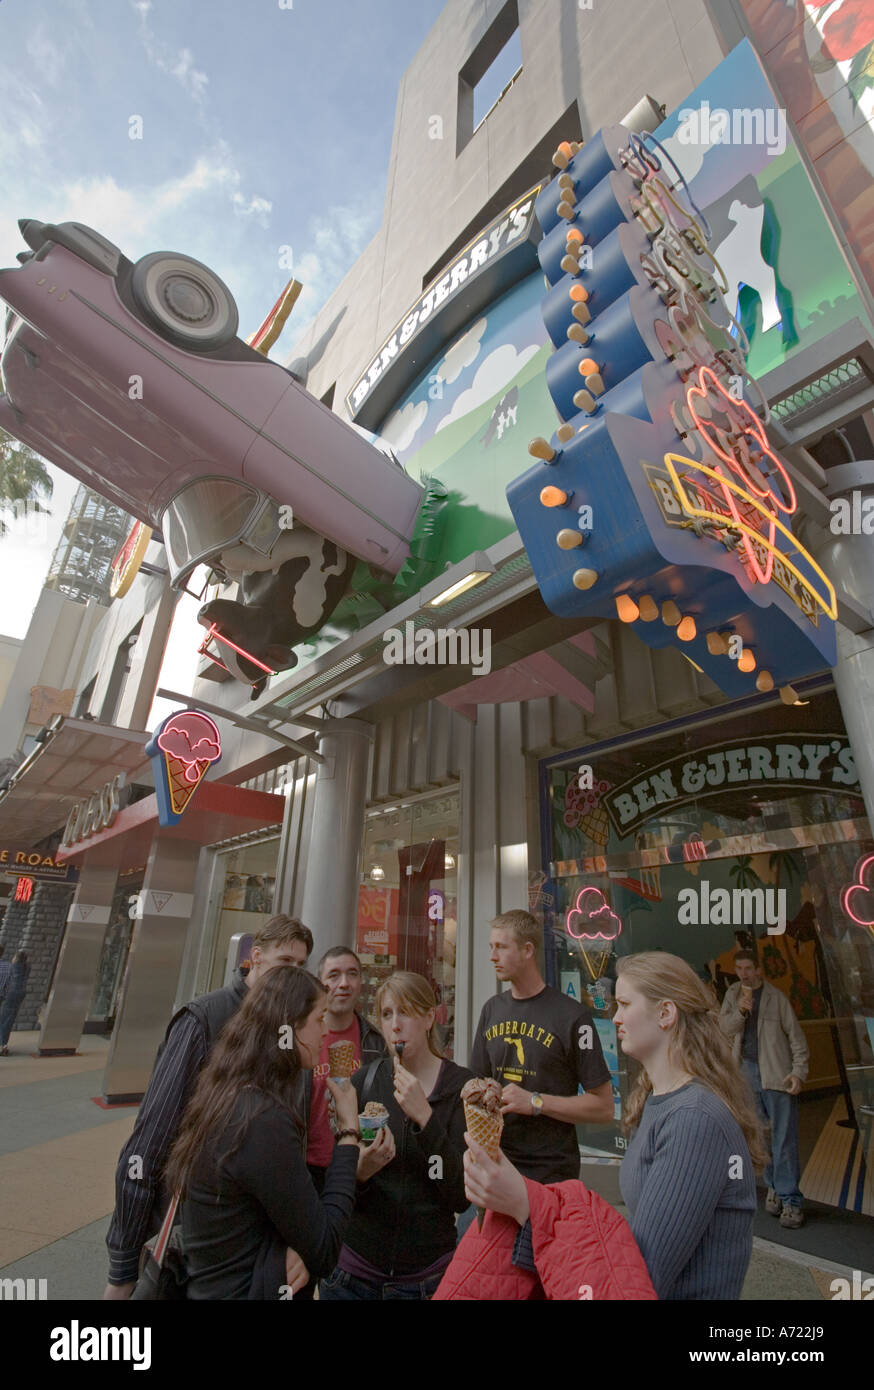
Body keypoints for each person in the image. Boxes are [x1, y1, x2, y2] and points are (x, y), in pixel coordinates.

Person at [452, 952, 764, 1300]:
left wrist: (527, 1205)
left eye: (625, 1004)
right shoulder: (660, 1102)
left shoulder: (694, 1119)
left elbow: (640, 1276)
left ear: (665, 1013)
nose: (615, 1018)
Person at [103, 915, 313, 1298]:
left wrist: (300, 1236)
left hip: (258, 1249)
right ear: (256, 957)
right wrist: (122, 1265)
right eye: (285, 963)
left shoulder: (294, 1035)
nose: (292, 975)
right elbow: (149, 1142)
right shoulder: (204, 1019)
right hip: (191, 1244)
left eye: (301, 966)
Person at [166, 966, 361, 1299]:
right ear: (290, 1026)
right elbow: (325, 1247)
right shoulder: (262, 1120)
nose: (326, 1031)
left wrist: (294, 1245)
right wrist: (348, 1133)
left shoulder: (228, 1094)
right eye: (319, 1018)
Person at [319, 971, 474, 1300]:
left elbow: (460, 1196)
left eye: (405, 1012)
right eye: (387, 1014)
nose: (395, 1025)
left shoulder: (459, 1087)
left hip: (425, 1278)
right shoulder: (366, 1081)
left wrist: (426, 1119)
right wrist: (360, 1170)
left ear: (430, 1017)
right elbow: (332, 1179)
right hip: (353, 1273)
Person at [468, 910, 613, 1183]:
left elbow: (604, 1107)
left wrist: (536, 1102)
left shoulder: (571, 1016)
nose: (492, 956)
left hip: (551, 1173)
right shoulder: (492, 1010)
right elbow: (477, 1083)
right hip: (498, 1165)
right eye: (491, 947)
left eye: (501, 947)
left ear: (527, 950)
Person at [719, 947, 809, 1229]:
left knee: (784, 1140)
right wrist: (742, 1013)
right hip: (746, 1073)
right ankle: (773, 1186)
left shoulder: (776, 998)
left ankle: (791, 1199)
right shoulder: (733, 994)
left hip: (776, 1077)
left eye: (748, 968)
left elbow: (797, 1039)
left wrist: (798, 1073)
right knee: (761, 1138)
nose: (744, 974)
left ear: (759, 970)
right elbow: (725, 1028)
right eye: (740, 969)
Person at [305, 947, 386, 1193]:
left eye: (352, 974)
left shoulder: (375, 1042)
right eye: (334, 976)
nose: (344, 983)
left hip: (356, 1169)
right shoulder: (303, 1037)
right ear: (320, 983)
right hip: (305, 1168)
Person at [0, 950, 30, 1054]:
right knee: (9, 1019)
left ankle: (3, 1046)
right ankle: (3, 1044)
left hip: (11, 994)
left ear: (16, 958)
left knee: (4, 1019)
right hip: (20, 994)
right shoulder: (27, 968)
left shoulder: (13, 966)